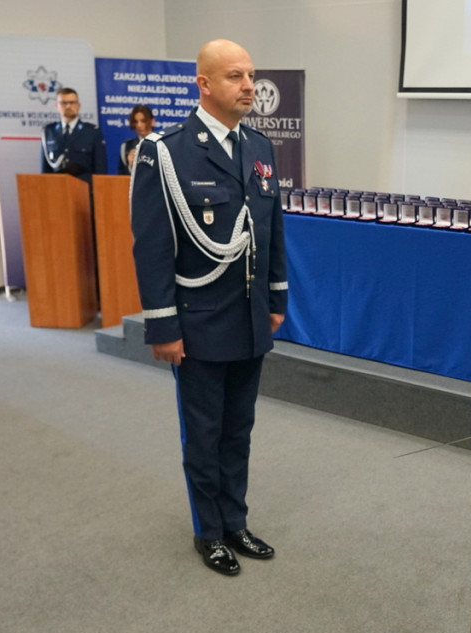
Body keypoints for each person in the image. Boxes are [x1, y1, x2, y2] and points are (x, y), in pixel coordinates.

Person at [130, 39, 288, 577]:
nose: (249, 86)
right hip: (197, 322)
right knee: (203, 431)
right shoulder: (167, 152)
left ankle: (236, 520)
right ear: (204, 84)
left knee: (238, 429)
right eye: (235, 76)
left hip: (248, 318)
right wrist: (163, 326)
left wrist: (276, 297)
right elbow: (151, 246)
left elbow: (272, 231)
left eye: (251, 75)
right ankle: (210, 531)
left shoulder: (260, 148)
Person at [40, 87, 106, 183]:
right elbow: (45, 169)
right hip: (56, 188)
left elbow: (100, 168)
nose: (68, 106)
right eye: (64, 103)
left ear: (79, 105)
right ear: (56, 106)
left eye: (72, 103)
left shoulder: (92, 132)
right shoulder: (49, 132)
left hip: (84, 189)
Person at [117, 105, 155, 175]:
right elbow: (121, 177)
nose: (139, 125)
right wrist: (131, 165)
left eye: (143, 121)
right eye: (136, 122)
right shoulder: (126, 147)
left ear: (152, 122)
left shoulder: (161, 144)